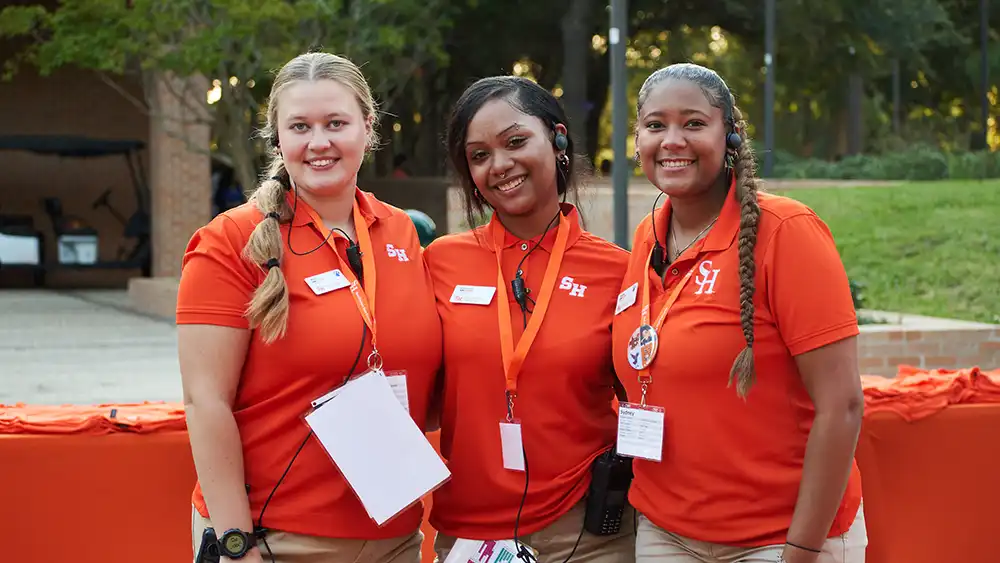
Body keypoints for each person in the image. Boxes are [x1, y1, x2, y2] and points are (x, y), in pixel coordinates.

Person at [176, 52, 442, 563]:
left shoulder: (401, 232)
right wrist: (236, 544)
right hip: (276, 539)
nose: (319, 143)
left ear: (368, 127)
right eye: (300, 126)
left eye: (336, 123)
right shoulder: (230, 241)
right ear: (278, 137)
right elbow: (204, 403)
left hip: (395, 538)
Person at [611, 62, 866, 563]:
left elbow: (843, 404)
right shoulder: (646, 238)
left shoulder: (785, 230)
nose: (672, 140)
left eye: (694, 123)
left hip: (778, 538)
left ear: (729, 136)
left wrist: (801, 548)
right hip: (666, 533)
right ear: (637, 139)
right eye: (656, 125)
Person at [422, 76, 635, 563]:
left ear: (558, 139)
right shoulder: (439, 262)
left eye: (516, 141)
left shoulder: (619, 271)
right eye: (479, 155)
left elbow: (653, 395)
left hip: (590, 535)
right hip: (471, 538)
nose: (500, 165)